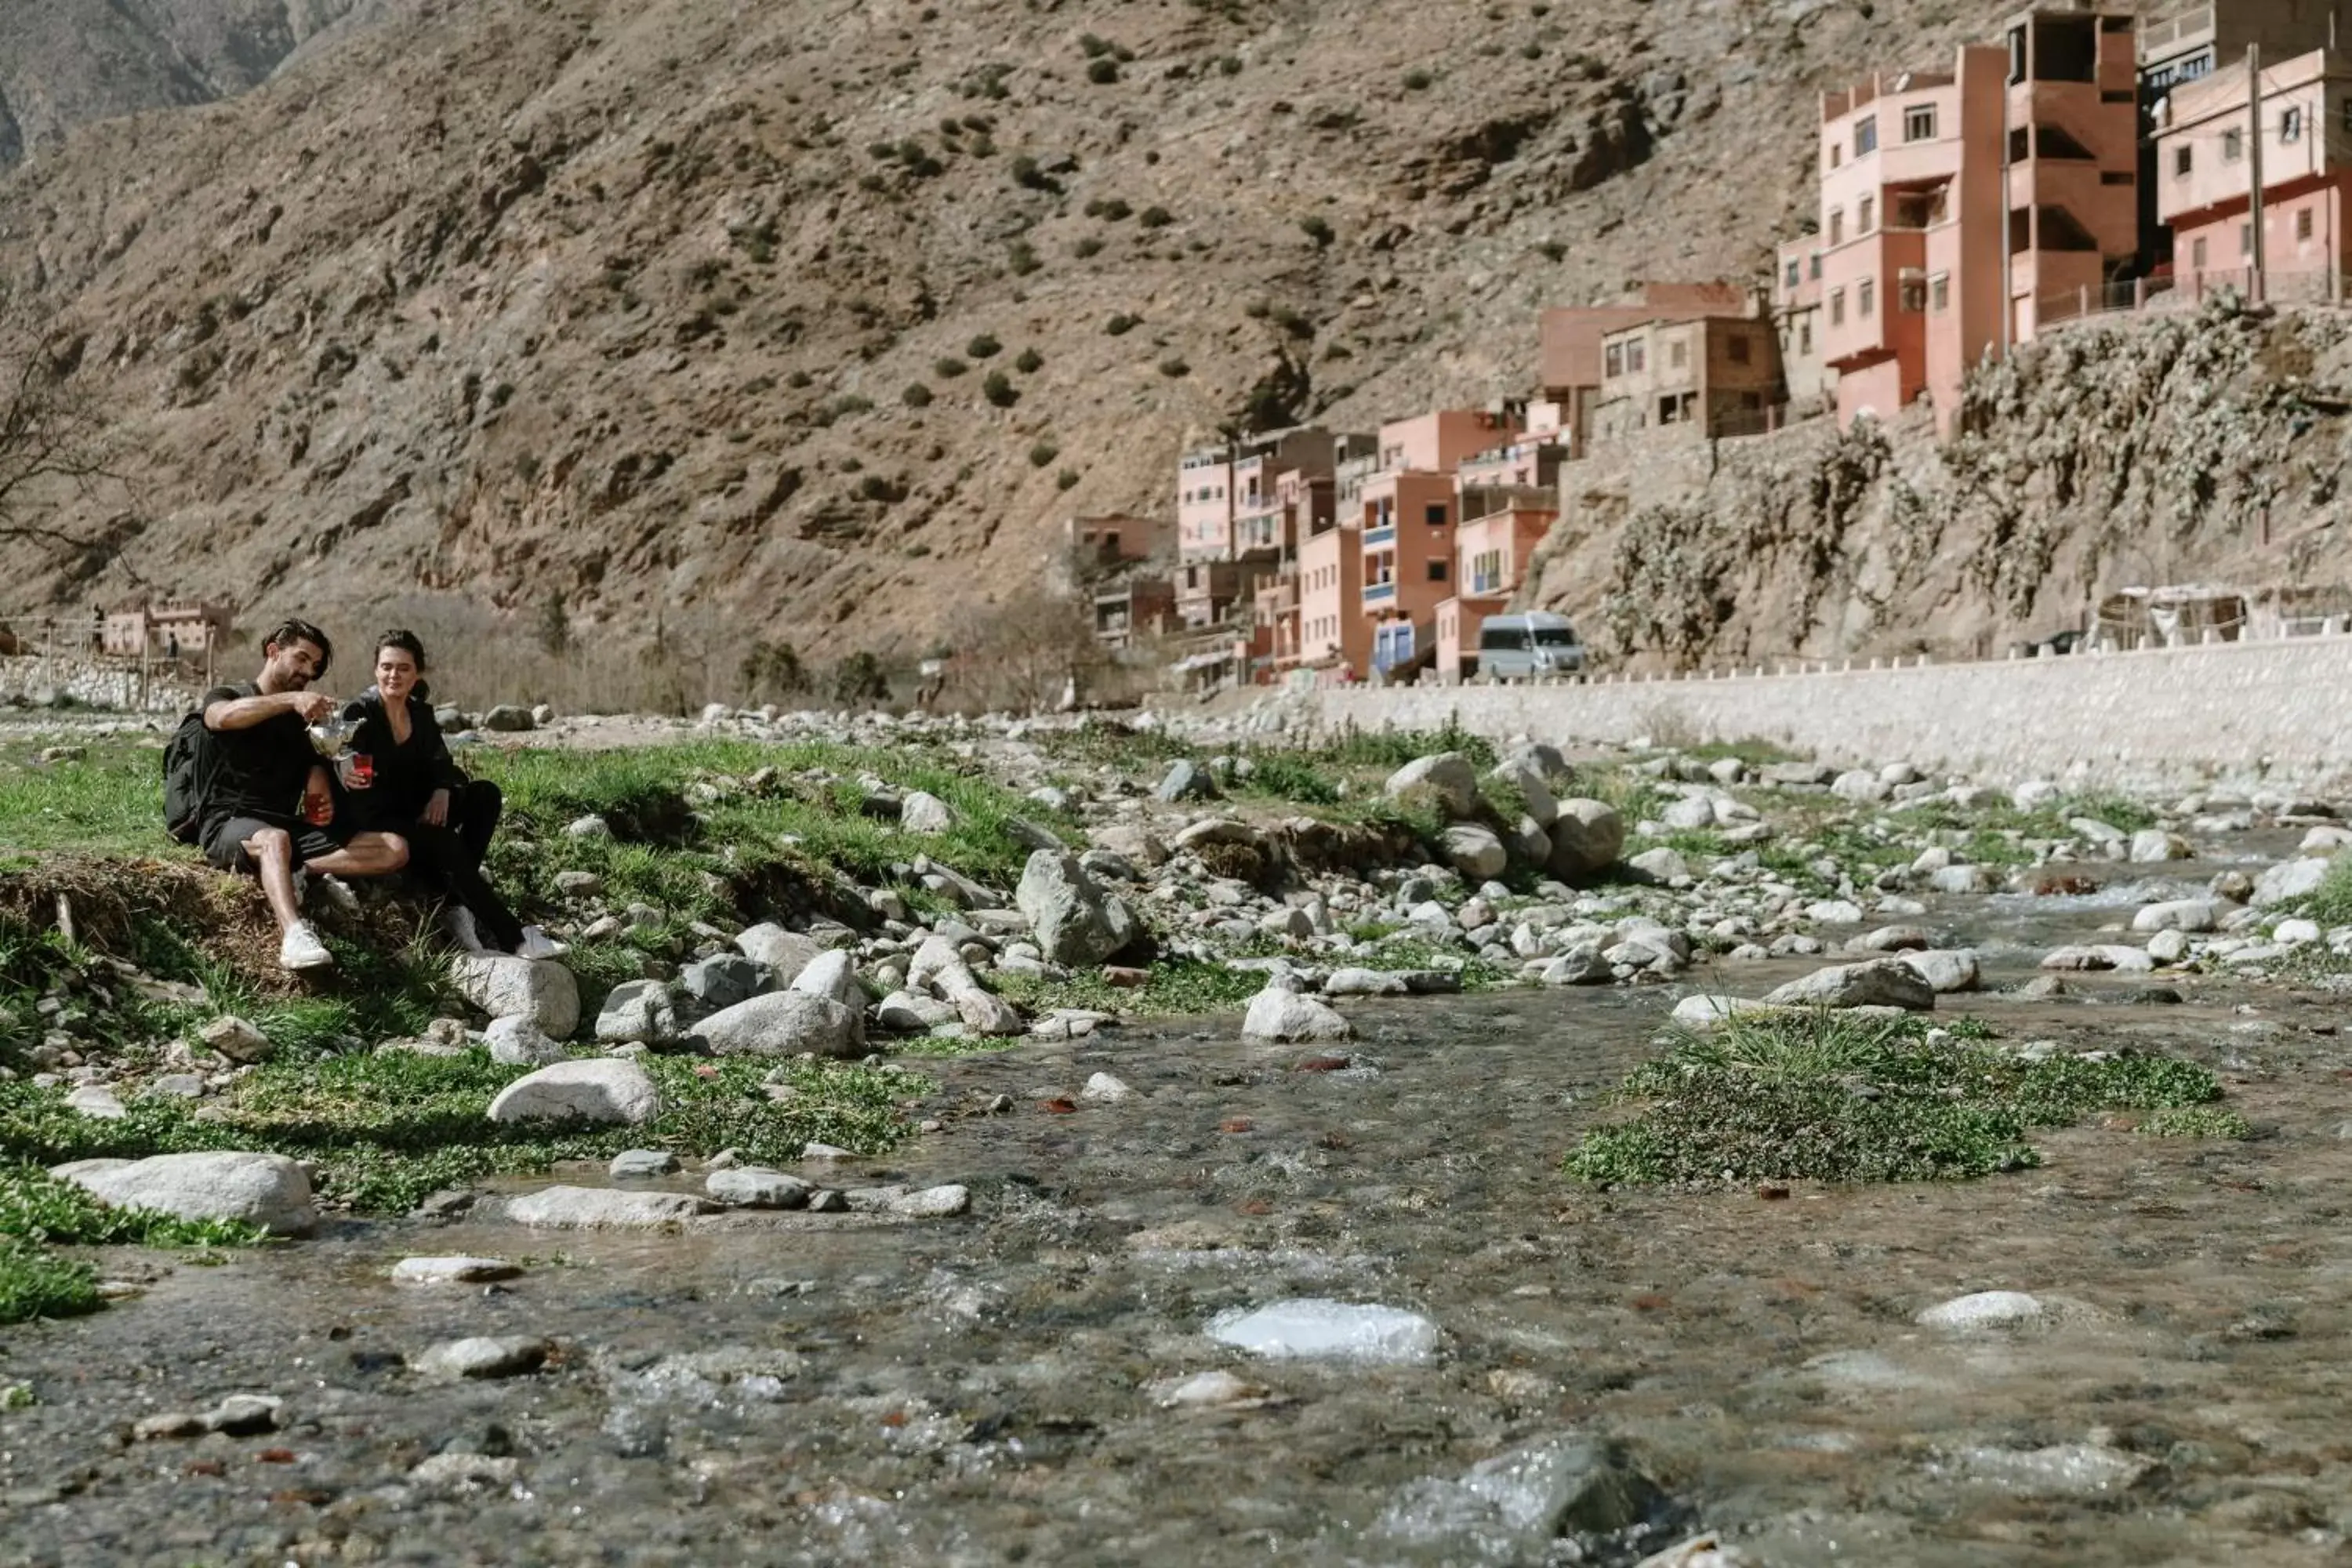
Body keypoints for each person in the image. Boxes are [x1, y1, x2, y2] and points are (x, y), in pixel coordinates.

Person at [198, 619, 409, 972]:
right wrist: (292, 699)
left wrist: (321, 784)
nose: (308, 672)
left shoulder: (301, 724)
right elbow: (220, 718)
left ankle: (296, 869)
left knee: (394, 848)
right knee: (275, 840)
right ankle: (294, 935)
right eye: (301, 659)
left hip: (283, 825)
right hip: (228, 820)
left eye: (315, 667)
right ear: (273, 652)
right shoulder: (231, 695)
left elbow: (318, 768)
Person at [338, 630, 564, 960]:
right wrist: (345, 769)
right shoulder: (359, 713)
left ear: (417, 674)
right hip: (377, 819)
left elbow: (445, 766)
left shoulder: (420, 713)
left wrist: (443, 790)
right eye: (386, 667)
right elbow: (342, 764)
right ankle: (514, 938)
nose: (393, 675)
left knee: (485, 795)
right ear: (375, 669)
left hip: (418, 811)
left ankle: (453, 899)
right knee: (443, 842)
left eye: (403, 668)